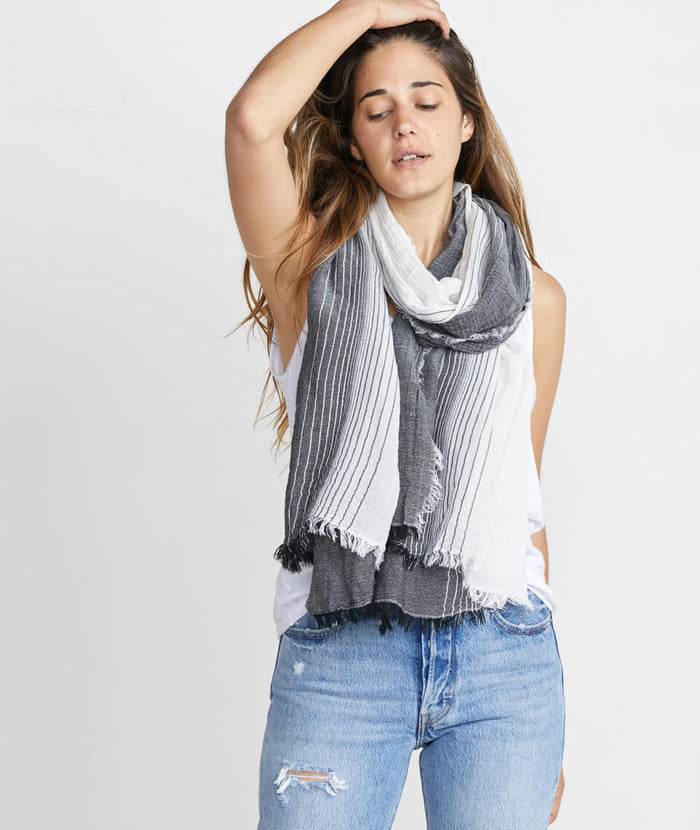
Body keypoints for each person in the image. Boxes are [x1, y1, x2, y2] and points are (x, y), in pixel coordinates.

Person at [224, 1, 567, 827]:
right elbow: (252, 122)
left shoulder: (535, 299)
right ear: (353, 139)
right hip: (344, 656)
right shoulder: (307, 270)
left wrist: (546, 727)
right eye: (376, 110)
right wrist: (370, 8)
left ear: (466, 124)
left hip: (503, 656)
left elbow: (524, 502)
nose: (404, 124)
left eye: (426, 101)